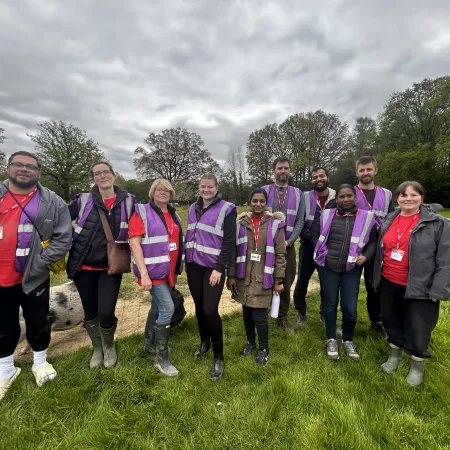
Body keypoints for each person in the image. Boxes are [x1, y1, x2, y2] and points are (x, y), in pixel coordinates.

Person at [0, 151, 72, 400]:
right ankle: (6, 369)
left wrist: (42, 262)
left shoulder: (52, 201)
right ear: (8, 168)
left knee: (37, 319)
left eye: (30, 166)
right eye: (18, 164)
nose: (24, 169)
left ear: (38, 172)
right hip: (1, 274)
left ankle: (40, 362)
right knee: (4, 322)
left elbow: (64, 236)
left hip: (34, 274)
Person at [373, 181, 450, 387]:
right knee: (391, 320)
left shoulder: (438, 224)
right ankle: (395, 356)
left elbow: (446, 259)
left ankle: (417, 365)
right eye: (403, 195)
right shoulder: (389, 219)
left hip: (421, 285)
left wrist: (439, 287)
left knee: (418, 326)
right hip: (389, 280)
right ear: (397, 199)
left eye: (413, 195)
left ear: (421, 198)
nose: (408, 198)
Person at [67, 161, 135, 370]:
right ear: (93, 178)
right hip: (83, 267)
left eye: (106, 172)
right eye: (97, 173)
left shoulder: (129, 201)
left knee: (106, 311)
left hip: (110, 268)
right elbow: (59, 221)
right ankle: (97, 348)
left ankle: (109, 344)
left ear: (114, 176)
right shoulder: (83, 200)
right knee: (90, 312)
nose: (102, 176)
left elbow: (140, 228)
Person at [310, 184, 377, 361]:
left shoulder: (366, 217)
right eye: (342, 196)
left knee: (350, 307)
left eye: (349, 196)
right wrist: (323, 251)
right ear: (337, 198)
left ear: (355, 198)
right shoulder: (326, 215)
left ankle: (347, 339)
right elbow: (313, 234)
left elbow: (373, 241)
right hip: (329, 268)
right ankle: (331, 338)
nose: (345, 199)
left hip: (352, 270)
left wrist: (366, 257)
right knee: (330, 304)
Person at [129, 179, 183, 377]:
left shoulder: (173, 213)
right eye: (159, 189)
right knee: (168, 308)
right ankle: (162, 359)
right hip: (153, 271)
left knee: (156, 307)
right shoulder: (142, 212)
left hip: (169, 271)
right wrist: (144, 274)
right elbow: (135, 244)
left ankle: (149, 344)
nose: (163, 192)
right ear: (152, 192)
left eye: (167, 189)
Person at [185, 173, 236, 382]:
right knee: (198, 307)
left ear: (216, 188)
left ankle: (219, 356)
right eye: (203, 187)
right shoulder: (192, 208)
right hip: (193, 265)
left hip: (212, 268)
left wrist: (219, 267)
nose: (206, 190)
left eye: (209, 187)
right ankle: (204, 342)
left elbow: (229, 241)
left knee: (210, 309)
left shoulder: (227, 209)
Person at [227, 188, 286, 365]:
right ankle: (251, 343)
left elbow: (280, 254)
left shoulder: (275, 224)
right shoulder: (240, 224)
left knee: (259, 316)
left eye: (262, 201)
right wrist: (231, 275)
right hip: (244, 277)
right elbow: (233, 251)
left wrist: (279, 280)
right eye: (255, 201)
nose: (258, 204)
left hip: (264, 278)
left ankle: (264, 348)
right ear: (249, 202)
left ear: (266, 203)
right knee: (246, 312)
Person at [262, 157, 305, 333]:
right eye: (279, 168)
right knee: (262, 281)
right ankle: (261, 316)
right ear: (273, 171)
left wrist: (289, 241)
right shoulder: (264, 190)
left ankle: (283, 318)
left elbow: (300, 221)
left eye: (286, 168)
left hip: (287, 246)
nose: (283, 171)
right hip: (265, 247)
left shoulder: (298, 193)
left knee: (286, 282)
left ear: (289, 170)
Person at [354, 156, 395, 333]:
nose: (365, 173)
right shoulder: (351, 192)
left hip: (379, 247)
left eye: (369, 169)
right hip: (355, 246)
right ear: (357, 173)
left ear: (375, 170)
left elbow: (393, 219)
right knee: (350, 285)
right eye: (362, 170)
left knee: (374, 285)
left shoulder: (387, 194)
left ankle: (376, 319)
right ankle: (348, 318)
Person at [293, 167, 336, 325]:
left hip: (328, 248)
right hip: (309, 246)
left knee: (326, 282)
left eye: (321, 176)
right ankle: (301, 312)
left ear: (327, 177)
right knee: (302, 280)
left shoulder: (336, 196)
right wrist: (312, 240)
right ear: (312, 180)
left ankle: (324, 313)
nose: (319, 179)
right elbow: (300, 221)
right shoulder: (304, 197)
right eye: (315, 177)